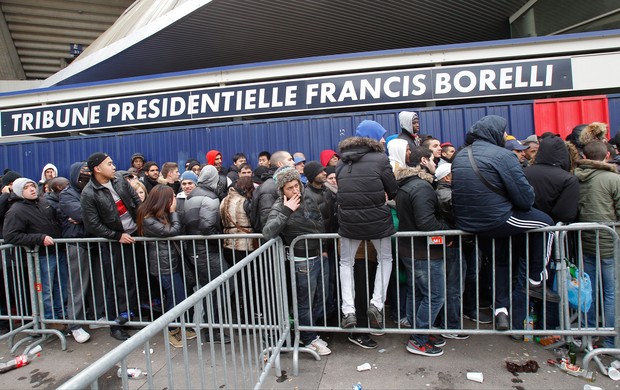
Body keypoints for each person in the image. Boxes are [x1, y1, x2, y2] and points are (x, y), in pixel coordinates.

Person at [451, 115, 557, 331]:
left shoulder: (461, 155)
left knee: (500, 261)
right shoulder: (503, 156)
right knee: (546, 224)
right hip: (498, 218)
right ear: (494, 134)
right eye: (502, 133)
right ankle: (537, 279)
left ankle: (501, 311)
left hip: (469, 224)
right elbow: (526, 199)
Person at [336, 120, 399, 341]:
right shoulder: (381, 159)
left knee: (346, 263)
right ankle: (376, 303)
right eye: (381, 135)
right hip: (377, 222)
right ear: (372, 137)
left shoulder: (342, 162)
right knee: (385, 259)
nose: (384, 139)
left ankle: (349, 311)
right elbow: (393, 190)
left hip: (349, 222)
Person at [263, 167, 331, 355]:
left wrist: (323, 249)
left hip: (318, 255)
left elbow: (319, 223)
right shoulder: (279, 206)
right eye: (289, 188)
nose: (295, 191)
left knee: (321, 297)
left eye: (296, 186)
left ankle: (309, 332)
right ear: (281, 191)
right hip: (301, 261)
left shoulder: (307, 197)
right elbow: (268, 232)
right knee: (304, 302)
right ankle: (307, 338)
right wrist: (286, 210)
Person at [394, 146, 450, 356]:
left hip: (411, 249)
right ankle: (418, 339)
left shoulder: (407, 184)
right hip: (423, 251)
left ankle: (420, 330)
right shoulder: (421, 187)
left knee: (416, 293)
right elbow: (427, 223)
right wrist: (449, 233)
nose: (437, 164)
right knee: (435, 296)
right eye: (434, 159)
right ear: (425, 161)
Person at [80, 152, 141, 341]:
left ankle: (128, 316)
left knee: (131, 279)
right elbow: (92, 224)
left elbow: (136, 202)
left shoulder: (120, 181)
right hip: (115, 243)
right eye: (109, 164)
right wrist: (116, 236)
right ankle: (116, 324)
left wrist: (141, 224)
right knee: (116, 283)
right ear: (97, 168)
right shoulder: (89, 193)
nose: (114, 167)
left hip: (134, 236)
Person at [136, 185, 197, 348]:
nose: (174, 201)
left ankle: (180, 327)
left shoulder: (160, 215)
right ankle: (171, 329)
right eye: (171, 198)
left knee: (180, 295)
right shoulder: (149, 218)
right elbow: (173, 231)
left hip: (173, 261)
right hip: (163, 265)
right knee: (176, 297)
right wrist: (173, 212)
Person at [3, 178, 68, 329]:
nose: (32, 189)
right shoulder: (16, 210)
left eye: (32, 185)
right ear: (19, 191)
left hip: (57, 251)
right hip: (41, 255)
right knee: (46, 290)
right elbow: (11, 236)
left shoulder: (43, 202)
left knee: (61, 286)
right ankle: (49, 319)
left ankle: (62, 315)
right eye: (27, 187)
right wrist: (39, 238)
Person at [574, 140, 620, 348]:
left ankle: (589, 334)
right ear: (607, 156)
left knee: (588, 291)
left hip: (585, 240)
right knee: (611, 293)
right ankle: (611, 339)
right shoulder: (613, 179)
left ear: (584, 157)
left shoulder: (576, 178)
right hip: (610, 242)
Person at [182, 165, 230, 343]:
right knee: (220, 288)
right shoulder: (210, 197)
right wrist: (222, 234)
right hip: (206, 250)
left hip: (197, 250)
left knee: (211, 288)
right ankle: (213, 331)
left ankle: (211, 329)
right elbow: (207, 226)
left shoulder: (194, 194)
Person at [60, 162, 105, 343]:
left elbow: (102, 212)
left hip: (93, 243)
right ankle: (75, 325)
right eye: (82, 176)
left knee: (97, 284)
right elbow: (81, 215)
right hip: (77, 244)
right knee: (77, 287)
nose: (86, 179)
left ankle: (96, 316)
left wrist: (91, 217)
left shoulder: (91, 191)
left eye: (88, 176)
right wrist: (91, 216)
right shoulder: (67, 194)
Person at [250, 150, 295, 231]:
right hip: (276, 241)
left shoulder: (281, 183)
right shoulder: (270, 187)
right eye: (290, 160)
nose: (294, 162)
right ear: (280, 164)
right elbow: (267, 223)